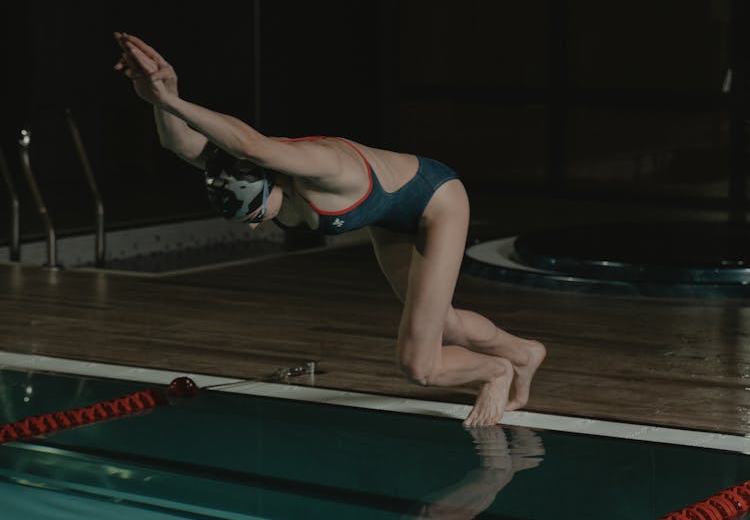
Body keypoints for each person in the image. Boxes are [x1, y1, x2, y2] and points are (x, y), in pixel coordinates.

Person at [114, 31, 546, 426]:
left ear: (268, 182)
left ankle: (495, 370)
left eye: (259, 215)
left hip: (436, 202)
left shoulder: (321, 166)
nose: (255, 228)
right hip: (388, 216)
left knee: (420, 365)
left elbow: (250, 143)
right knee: (445, 326)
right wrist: (156, 97)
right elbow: (179, 143)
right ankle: (523, 353)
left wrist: (176, 101)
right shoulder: (241, 170)